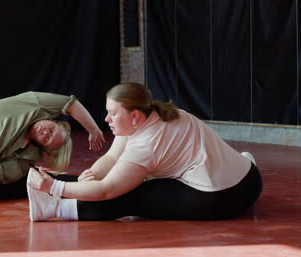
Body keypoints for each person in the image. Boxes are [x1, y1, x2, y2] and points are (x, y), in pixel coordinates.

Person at [27, 82, 263, 221]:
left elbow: (106, 191)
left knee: (129, 196)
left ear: (134, 116)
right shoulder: (159, 113)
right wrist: (92, 173)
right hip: (250, 179)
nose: (106, 118)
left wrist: (53, 188)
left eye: (112, 113)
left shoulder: (145, 145)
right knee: (119, 180)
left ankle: (53, 206)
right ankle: (52, 191)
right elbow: (111, 157)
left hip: (221, 199)